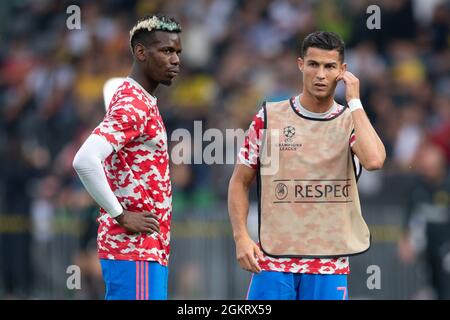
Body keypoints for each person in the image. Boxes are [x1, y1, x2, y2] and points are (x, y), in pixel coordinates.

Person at [228, 31, 386, 300]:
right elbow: (239, 181)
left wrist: (355, 101)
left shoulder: (350, 121)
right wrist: (241, 237)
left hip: (328, 263)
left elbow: (374, 160)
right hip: (274, 261)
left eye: (329, 66)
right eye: (314, 64)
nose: (321, 74)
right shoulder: (269, 117)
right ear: (301, 64)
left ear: (342, 71)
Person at [72, 15, 182, 300]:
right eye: (166, 51)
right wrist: (120, 215)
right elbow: (84, 160)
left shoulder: (139, 99)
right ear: (141, 52)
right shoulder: (133, 104)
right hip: (135, 251)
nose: (175, 60)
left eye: (177, 52)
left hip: (143, 252)